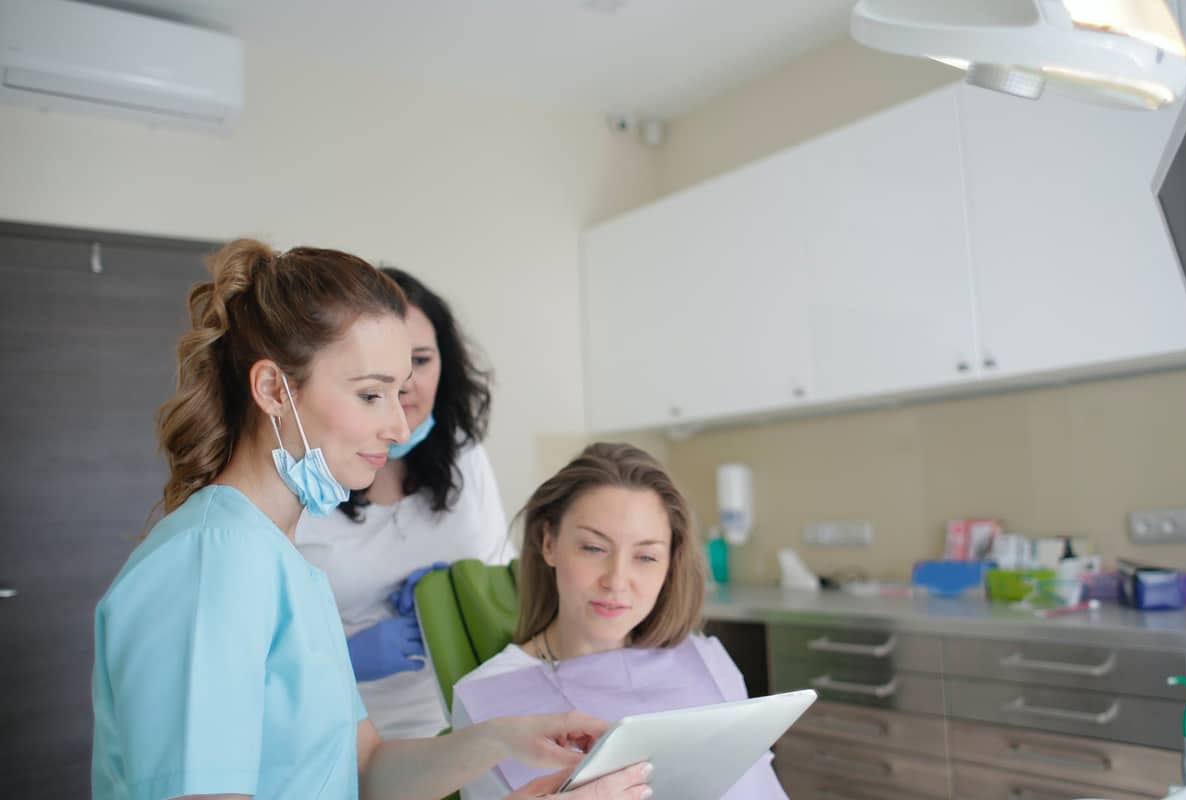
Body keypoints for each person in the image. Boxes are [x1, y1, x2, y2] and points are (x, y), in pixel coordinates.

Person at [90, 239, 651, 800]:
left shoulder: (284, 562)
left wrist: (504, 738)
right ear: (271, 390)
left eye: (398, 391)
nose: (399, 428)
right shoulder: (214, 560)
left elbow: (365, 769)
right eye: (370, 395)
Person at [451, 443, 787, 800]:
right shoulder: (488, 697)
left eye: (645, 556)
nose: (616, 580)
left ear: (670, 564)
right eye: (594, 549)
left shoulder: (705, 660)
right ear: (549, 543)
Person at [297, 267, 513, 740]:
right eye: (386, 368)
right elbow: (264, 646)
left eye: (421, 359)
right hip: (344, 735)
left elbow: (505, 573)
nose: (405, 383)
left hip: (463, 723)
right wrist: (347, 657)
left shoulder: (464, 454)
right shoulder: (306, 476)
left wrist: (461, 586)